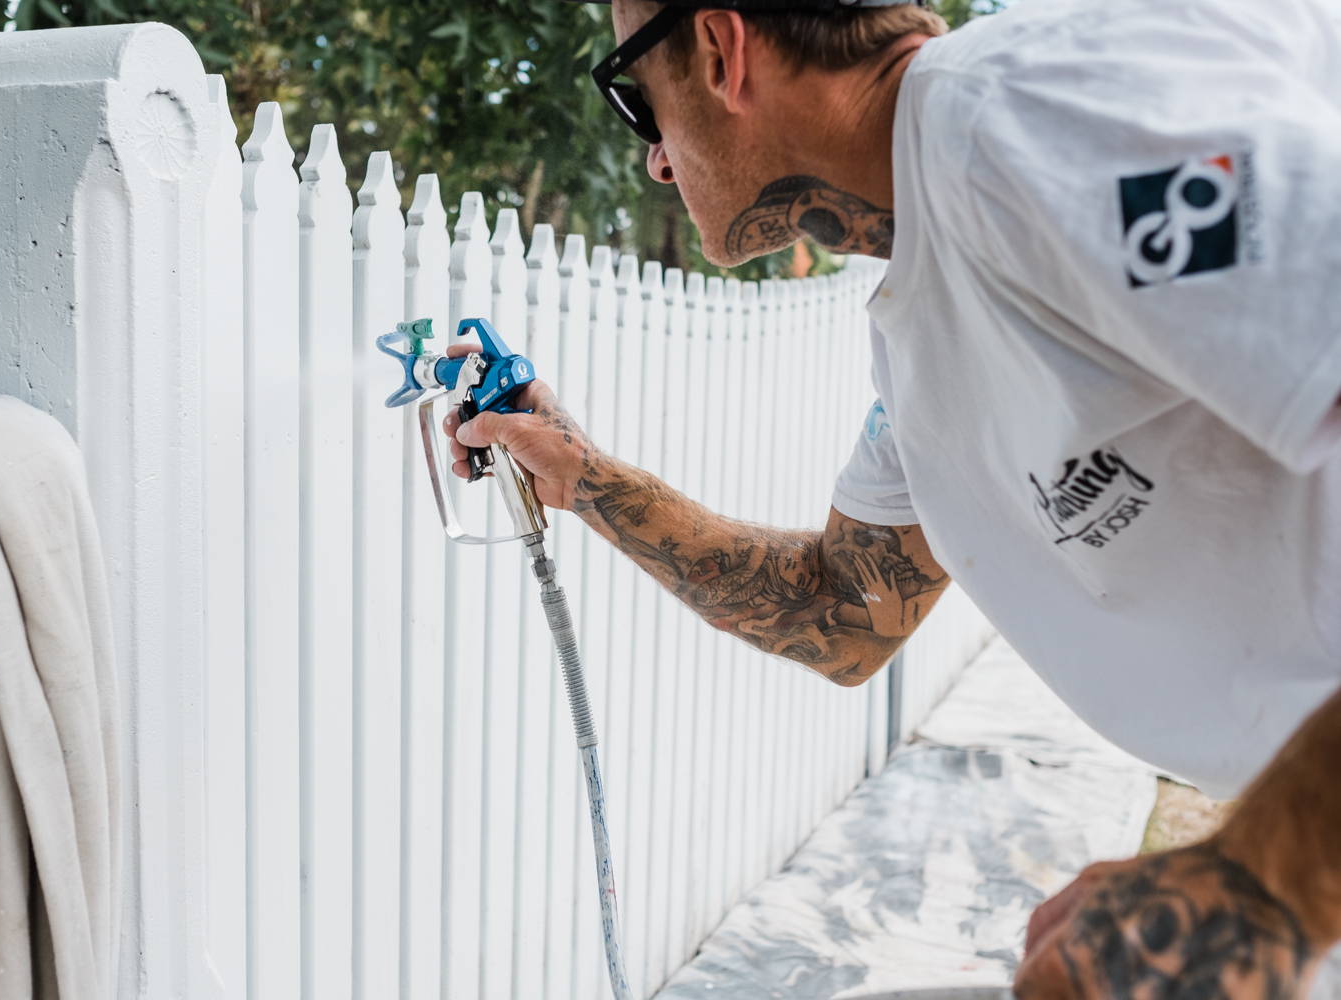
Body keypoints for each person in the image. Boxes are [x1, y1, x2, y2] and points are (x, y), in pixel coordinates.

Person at [444, 0, 1341, 995]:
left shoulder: (1028, 117)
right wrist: (586, 479)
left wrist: (1260, 882)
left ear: (719, 50)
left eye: (639, 101)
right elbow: (843, 613)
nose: (655, 159)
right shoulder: (935, 305)